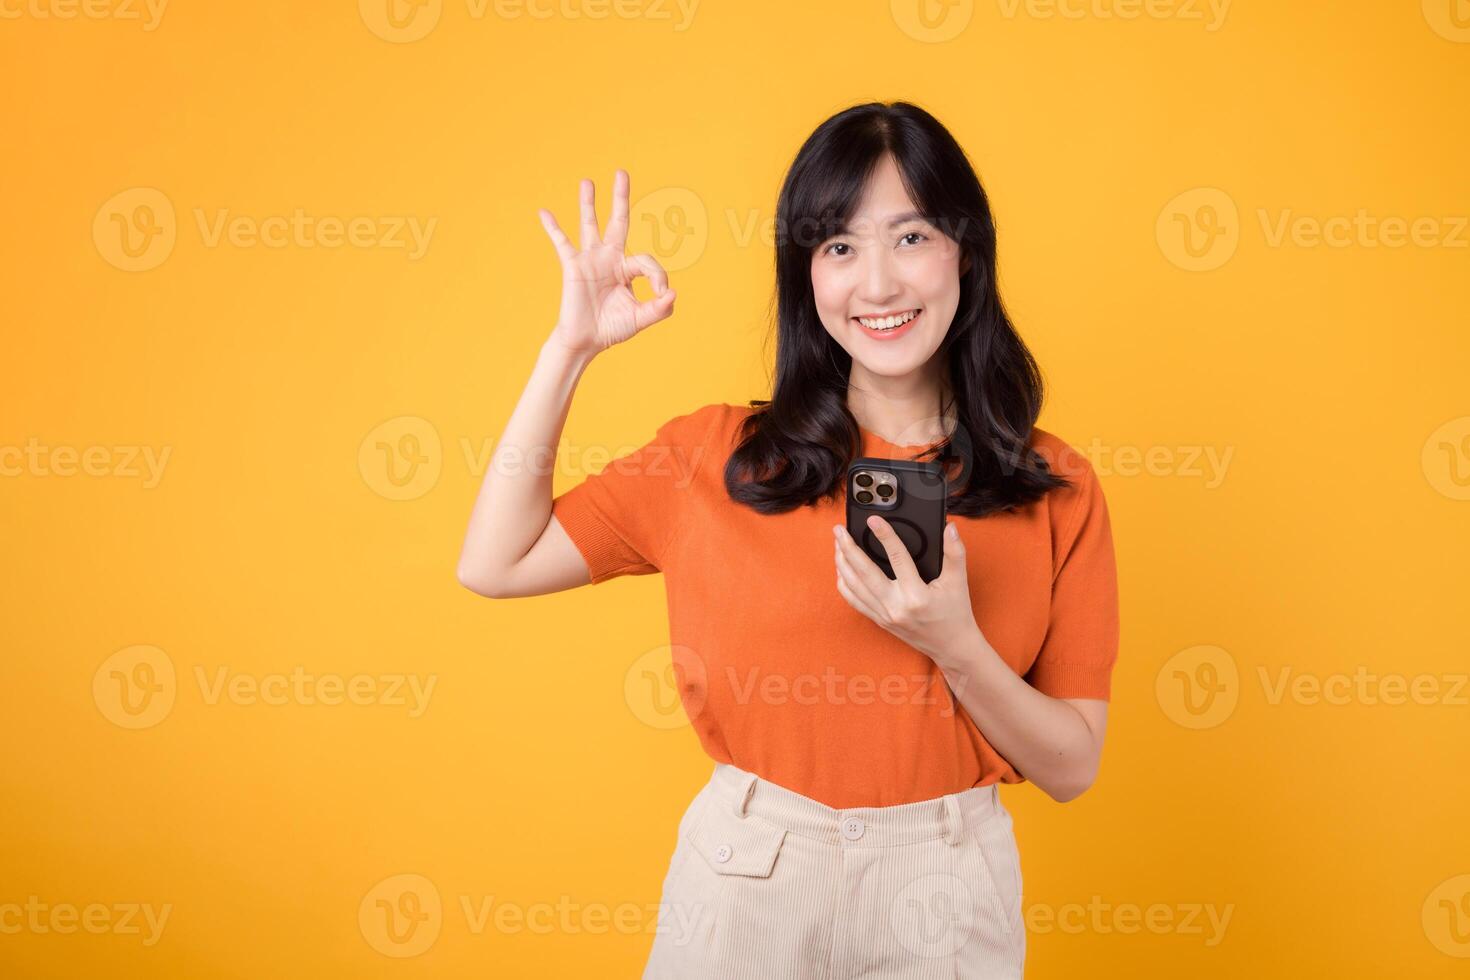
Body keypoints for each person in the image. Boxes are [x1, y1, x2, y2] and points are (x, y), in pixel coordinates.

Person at [457, 100, 1119, 979]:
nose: (877, 284)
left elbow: (1073, 767)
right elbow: (494, 563)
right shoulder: (716, 456)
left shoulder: (1055, 487)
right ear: (806, 273)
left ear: (967, 250)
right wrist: (569, 349)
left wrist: (954, 644)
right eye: (839, 246)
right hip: (748, 876)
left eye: (911, 236)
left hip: (946, 887)